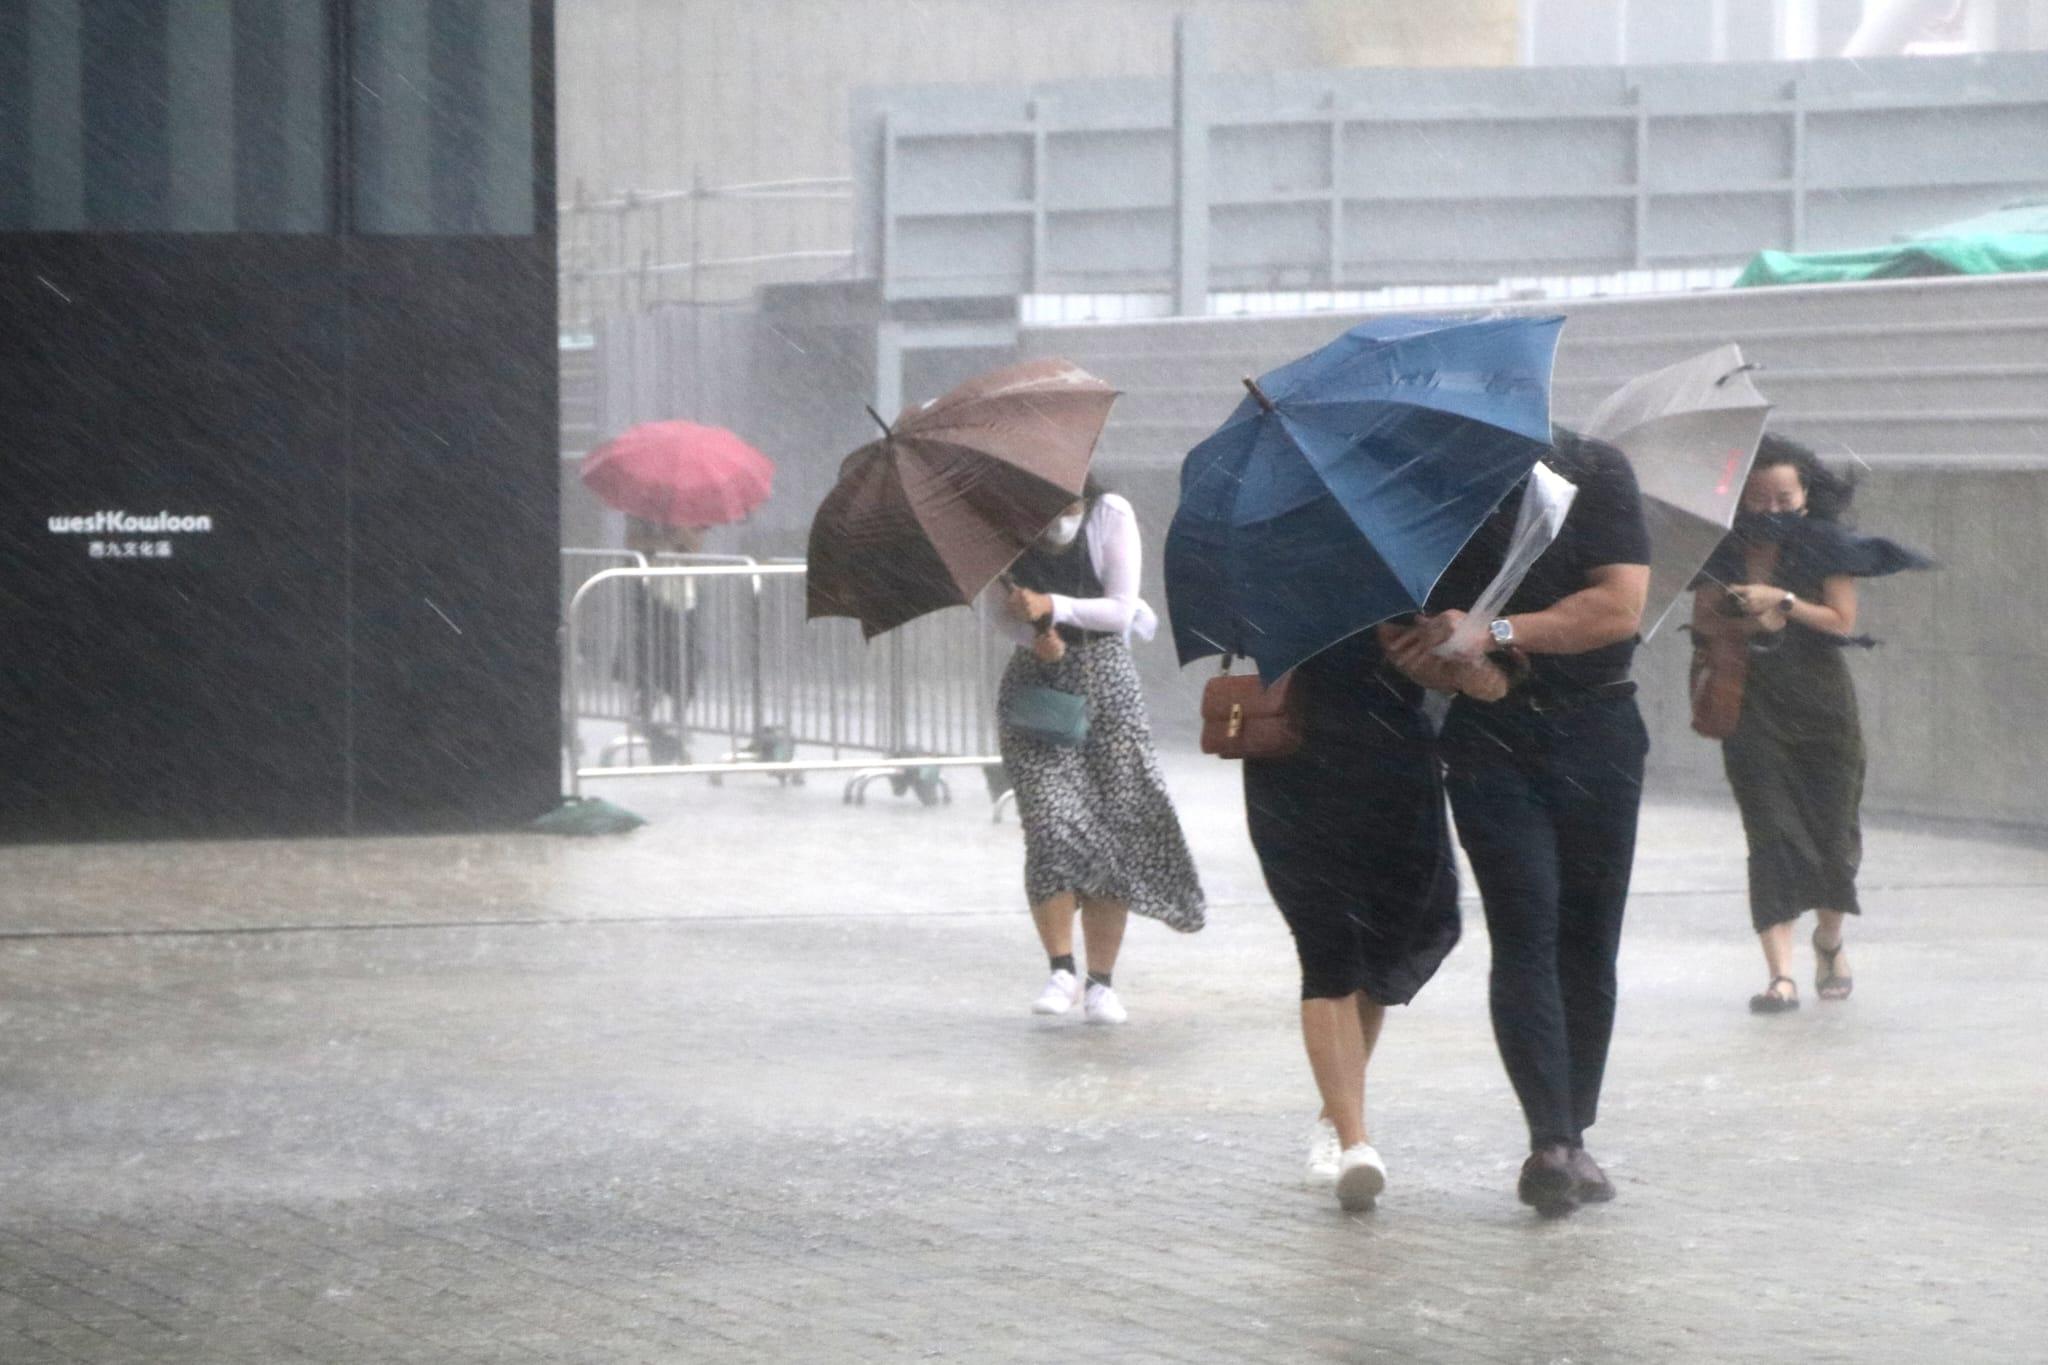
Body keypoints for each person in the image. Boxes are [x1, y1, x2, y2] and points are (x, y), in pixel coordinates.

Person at [1386, 427, 1651, 1218]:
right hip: (1491, 742)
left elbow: (1617, 607)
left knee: (1589, 935)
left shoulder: (1592, 470)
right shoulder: (1422, 494)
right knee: (1525, 923)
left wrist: (1497, 629)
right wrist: (1454, 664)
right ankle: (1552, 1137)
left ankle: (1574, 1128)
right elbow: (1406, 638)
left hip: (1599, 726)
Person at [1243, 628, 1506, 1211]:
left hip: (1396, 764)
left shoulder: (1412, 571)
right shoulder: (1275, 558)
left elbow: (1452, 671)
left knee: (1387, 942)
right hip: (1294, 759)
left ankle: (1334, 1116)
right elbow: (1249, 637)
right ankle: (1353, 1140)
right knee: (1328, 945)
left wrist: (1442, 657)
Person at [1688, 434, 1926, 1015]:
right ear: (1740, 497)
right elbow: (1701, 620)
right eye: (1759, 499)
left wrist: (1784, 602)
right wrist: (1743, 619)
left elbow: (1842, 620)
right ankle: (1780, 977)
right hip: (1751, 701)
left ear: (1805, 493)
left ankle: (1828, 941)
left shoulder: (1826, 545)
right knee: (1770, 832)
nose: (1772, 509)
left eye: (1784, 497)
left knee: (1833, 834)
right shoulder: (1718, 549)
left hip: (1821, 705)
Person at [985, 477, 1205, 1025]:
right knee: (1051, 823)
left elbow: (1119, 608)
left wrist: (1054, 605)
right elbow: (995, 613)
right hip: (1037, 689)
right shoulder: (1001, 530)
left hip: (1107, 684)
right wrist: (1029, 631)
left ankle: (1101, 982)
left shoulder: (1111, 514)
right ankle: (1060, 967)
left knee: (1116, 824)